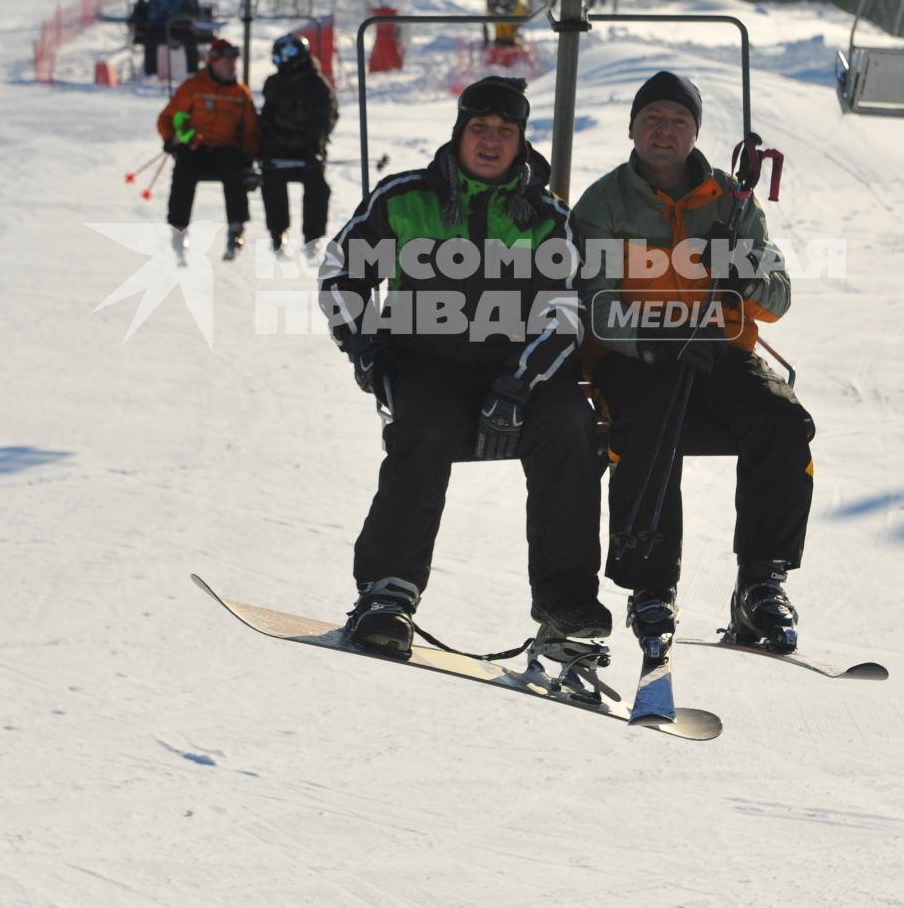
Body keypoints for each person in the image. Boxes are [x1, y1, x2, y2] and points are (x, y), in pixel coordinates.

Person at [318, 76, 608, 658]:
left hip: (519, 371)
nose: (491, 141)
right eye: (480, 128)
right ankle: (387, 593)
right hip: (424, 360)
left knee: (573, 427)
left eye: (506, 132)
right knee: (424, 430)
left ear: (522, 142)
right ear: (459, 132)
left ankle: (565, 598)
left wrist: (518, 385)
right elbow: (340, 275)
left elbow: (567, 310)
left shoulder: (548, 218)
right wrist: (368, 350)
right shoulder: (403, 199)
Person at [570, 70, 814, 652]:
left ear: (696, 132)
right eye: (652, 118)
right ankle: (651, 583)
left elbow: (779, 298)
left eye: (678, 120)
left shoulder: (732, 203)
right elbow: (593, 300)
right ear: (632, 128)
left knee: (782, 418)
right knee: (651, 420)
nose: (664, 131)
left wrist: (744, 270)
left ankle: (761, 578)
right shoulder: (604, 203)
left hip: (715, 349)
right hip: (635, 355)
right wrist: (647, 343)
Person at [157, 38, 259, 261]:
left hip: (226, 148)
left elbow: (251, 129)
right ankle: (179, 227)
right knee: (184, 170)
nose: (231, 66)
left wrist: (249, 153)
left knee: (234, 172)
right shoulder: (193, 88)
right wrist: (171, 138)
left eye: (233, 61)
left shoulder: (240, 93)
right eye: (226, 61)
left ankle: (236, 229)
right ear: (213, 62)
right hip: (196, 146)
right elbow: (166, 118)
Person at [258, 34, 338, 259]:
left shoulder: (317, 85)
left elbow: (324, 119)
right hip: (278, 148)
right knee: (272, 180)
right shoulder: (274, 83)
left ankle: (312, 238)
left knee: (317, 187)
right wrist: (263, 145)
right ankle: (278, 231)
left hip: (307, 149)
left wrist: (314, 147)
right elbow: (267, 118)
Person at [130, 0, 203, 81]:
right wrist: (160, 15)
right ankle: (151, 72)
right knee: (151, 37)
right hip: (161, 27)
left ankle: (192, 71)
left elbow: (195, 11)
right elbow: (151, 13)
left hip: (180, 27)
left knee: (190, 38)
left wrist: (184, 14)